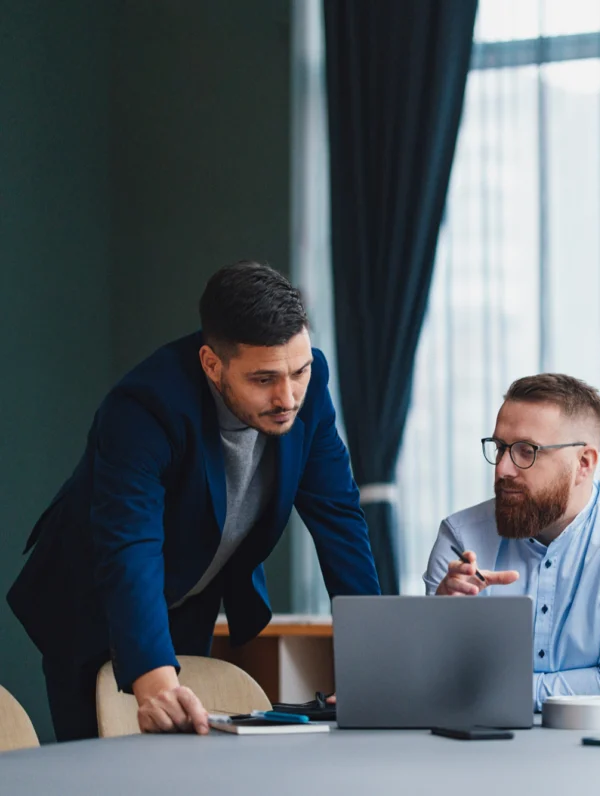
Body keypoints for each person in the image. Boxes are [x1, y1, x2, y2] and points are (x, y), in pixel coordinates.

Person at [7, 261, 380, 741]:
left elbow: (339, 520)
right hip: (90, 596)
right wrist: (154, 683)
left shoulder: (311, 384)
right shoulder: (143, 408)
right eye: (263, 379)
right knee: (104, 770)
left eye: (299, 371)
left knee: (185, 758)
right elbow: (129, 546)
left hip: (186, 596)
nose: (288, 396)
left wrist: (372, 668)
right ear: (211, 363)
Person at [423, 374, 600, 711]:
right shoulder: (461, 537)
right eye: (500, 447)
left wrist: (493, 688)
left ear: (583, 464)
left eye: (525, 451)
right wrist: (439, 622)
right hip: (480, 754)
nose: (503, 468)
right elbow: (437, 682)